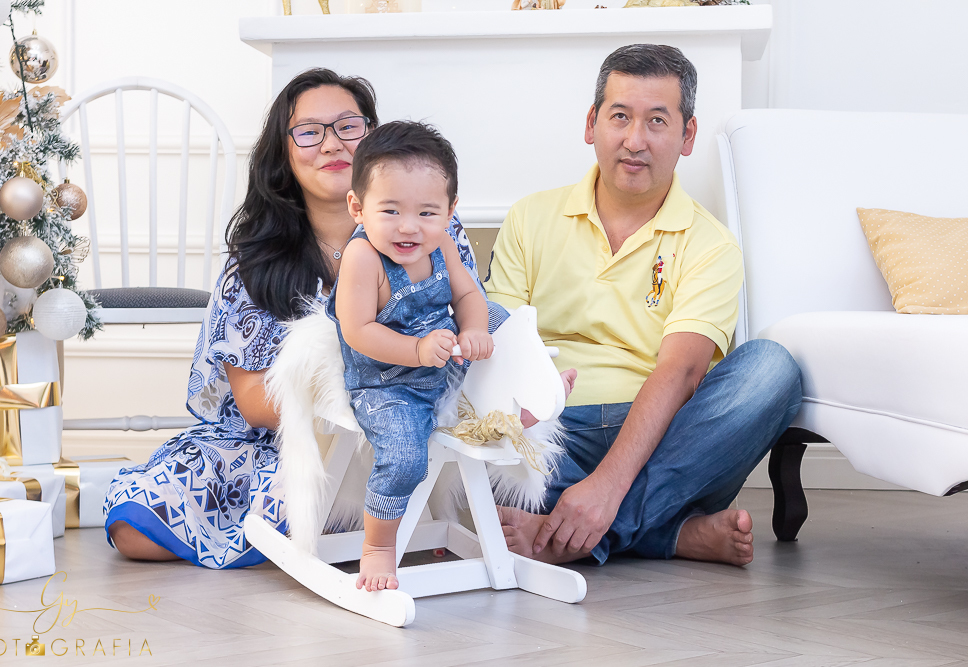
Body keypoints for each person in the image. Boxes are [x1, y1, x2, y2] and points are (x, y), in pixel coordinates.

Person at [102, 69, 483, 569]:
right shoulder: (257, 259)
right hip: (290, 435)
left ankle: (371, 513)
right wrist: (352, 400)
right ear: (284, 151)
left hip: (413, 408)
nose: (331, 143)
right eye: (308, 131)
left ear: (372, 137)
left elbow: (469, 312)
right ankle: (315, 519)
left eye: (348, 126)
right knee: (136, 529)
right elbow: (255, 403)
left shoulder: (431, 229)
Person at [488, 44, 803, 567]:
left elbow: (682, 372)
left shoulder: (711, 245)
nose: (635, 141)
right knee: (469, 455)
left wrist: (607, 486)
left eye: (657, 121)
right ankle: (669, 533)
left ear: (687, 135)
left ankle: (578, 531)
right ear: (591, 124)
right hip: (553, 431)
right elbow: (501, 344)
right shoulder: (530, 217)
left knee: (772, 370)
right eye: (619, 117)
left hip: (665, 437)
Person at [328, 121, 497, 591]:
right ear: (358, 208)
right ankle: (378, 547)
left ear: (450, 211)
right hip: (387, 384)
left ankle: (527, 392)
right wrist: (417, 350)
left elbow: (468, 294)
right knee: (404, 457)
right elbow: (358, 331)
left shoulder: (442, 243)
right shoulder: (363, 258)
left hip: (444, 357)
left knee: (502, 318)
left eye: (426, 212)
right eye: (390, 210)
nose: (409, 226)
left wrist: (474, 328)